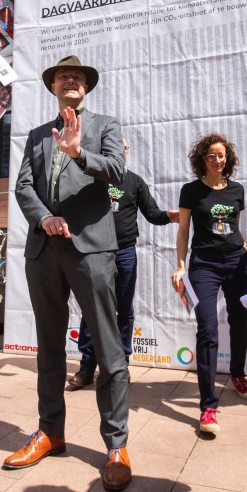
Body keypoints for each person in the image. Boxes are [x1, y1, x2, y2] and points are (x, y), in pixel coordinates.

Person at [8, 55, 131, 490]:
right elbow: (23, 185)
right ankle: (50, 432)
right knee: (48, 348)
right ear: (54, 86)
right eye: (63, 76)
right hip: (45, 249)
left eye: (77, 77)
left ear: (86, 86)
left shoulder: (106, 125)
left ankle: (117, 445)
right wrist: (42, 218)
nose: (70, 81)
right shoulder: (38, 135)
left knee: (108, 349)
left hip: (91, 248)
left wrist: (78, 151)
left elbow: (117, 172)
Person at [68, 137, 179, 389]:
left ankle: (122, 365)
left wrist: (168, 217)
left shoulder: (135, 181)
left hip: (125, 252)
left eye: (125, 148)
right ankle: (87, 366)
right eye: (116, 148)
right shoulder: (92, 179)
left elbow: (151, 213)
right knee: (92, 309)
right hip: (96, 252)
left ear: (127, 153)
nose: (121, 151)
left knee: (124, 311)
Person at [170, 132, 247, 435]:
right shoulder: (191, 191)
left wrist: (245, 247)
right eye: (211, 155)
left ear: (227, 158)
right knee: (207, 329)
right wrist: (181, 266)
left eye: (221, 155)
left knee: (240, 321)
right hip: (204, 265)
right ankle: (208, 406)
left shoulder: (237, 190)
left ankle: (238, 373)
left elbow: (235, 227)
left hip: (236, 262)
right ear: (202, 159)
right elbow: (182, 232)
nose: (217, 160)